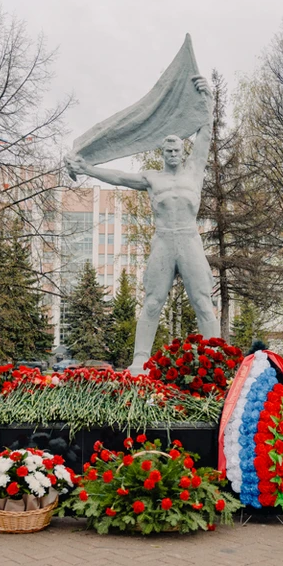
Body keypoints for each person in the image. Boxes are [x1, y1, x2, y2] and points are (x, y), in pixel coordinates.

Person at [65, 75, 220, 373]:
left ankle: (215, 359)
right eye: (168, 151)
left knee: (202, 300)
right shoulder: (152, 178)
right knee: (153, 301)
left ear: (183, 153)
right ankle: (140, 359)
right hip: (164, 240)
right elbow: (121, 178)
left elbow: (205, 135)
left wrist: (208, 101)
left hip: (189, 239)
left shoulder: (194, 172)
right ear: (161, 154)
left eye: (177, 150)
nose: (173, 154)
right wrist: (88, 169)